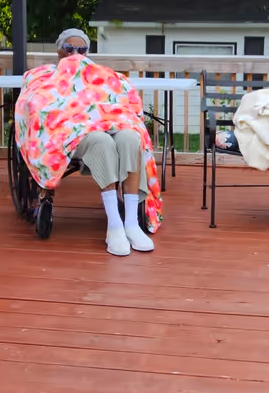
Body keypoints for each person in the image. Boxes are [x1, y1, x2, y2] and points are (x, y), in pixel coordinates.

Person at [15, 28, 162, 256]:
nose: (75, 53)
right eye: (69, 48)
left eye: (81, 49)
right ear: (59, 50)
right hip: (70, 134)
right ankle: (114, 226)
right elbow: (33, 104)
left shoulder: (99, 76)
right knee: (100, 141)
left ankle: (131, 224)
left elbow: (121, 98)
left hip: (108, 123)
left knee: (131, 137)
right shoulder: (43, 76)